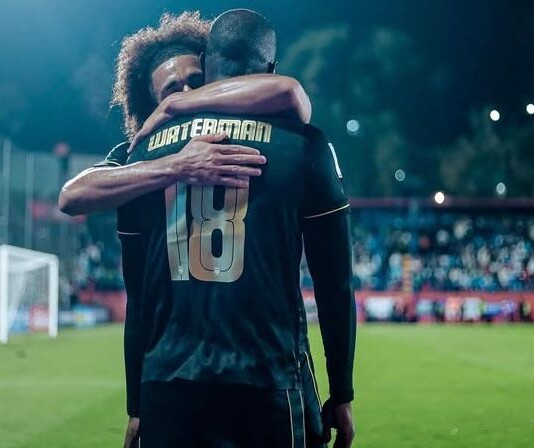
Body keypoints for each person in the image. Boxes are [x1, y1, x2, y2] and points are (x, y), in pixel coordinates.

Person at [120, 9, 356, 447]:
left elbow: (139, 296)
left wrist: (137, 403)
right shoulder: (303, 144)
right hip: (266, 380)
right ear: (270, 69)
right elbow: (335, 283)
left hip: (166, 387)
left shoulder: (143, 153)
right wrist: (341, 390)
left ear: (204, 63)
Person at [58, 11, 311, 216]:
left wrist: (174, 102)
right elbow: (71, 196)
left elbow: (290, 92)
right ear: (151, 105)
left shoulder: (252, 127)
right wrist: (176, 166)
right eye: (172, 90)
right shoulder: (137, 151)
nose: (187, 94)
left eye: (196, 81)